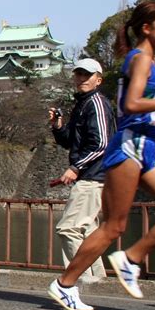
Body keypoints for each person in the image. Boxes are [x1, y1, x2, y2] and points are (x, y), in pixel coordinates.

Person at [48, 0, 155, 310]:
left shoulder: (149, 61)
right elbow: (130, 104)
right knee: (113, 227)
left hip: (147, 149)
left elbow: (133, 108)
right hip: (127, 151)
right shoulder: (140, 58)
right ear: (147, 28)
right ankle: (64, 285)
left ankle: (130, 257)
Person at [49, 58, 115, 279]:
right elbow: (70, 141)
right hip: (91, 176)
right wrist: (58, 126)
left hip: (93, 177)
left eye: (86, 75)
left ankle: (80, 280)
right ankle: (97, 282)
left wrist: (76, 167)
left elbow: (102, 144)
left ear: (98, 79)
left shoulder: (96, 103)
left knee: (68, 229)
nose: (81, 79)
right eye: (78, 74)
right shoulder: (83, 104)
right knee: (86, 232)